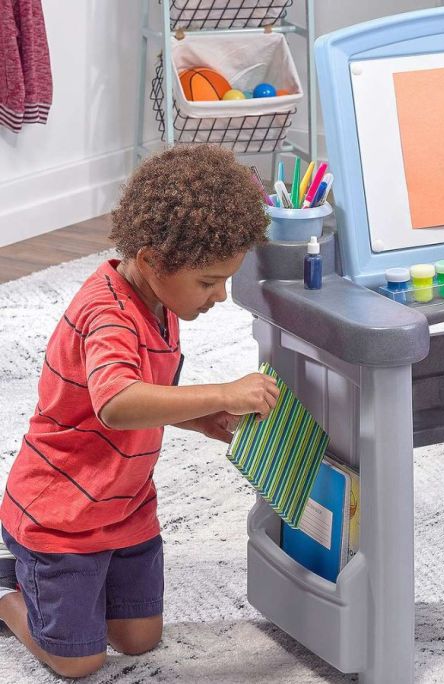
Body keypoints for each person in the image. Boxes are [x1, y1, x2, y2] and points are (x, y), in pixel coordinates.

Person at [0, 145, 280, 678]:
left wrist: (202, 421)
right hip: (62, 514)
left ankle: (71, 588)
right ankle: (7, 586)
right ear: (151, 261)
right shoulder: (106, 316)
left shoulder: (161, 303)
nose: (221, 295)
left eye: (225, 279)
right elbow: (117, 403)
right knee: (79, 662)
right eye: (207, 281)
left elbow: (149, 398)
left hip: (124, 504)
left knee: (139, 639)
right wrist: (222, 392)